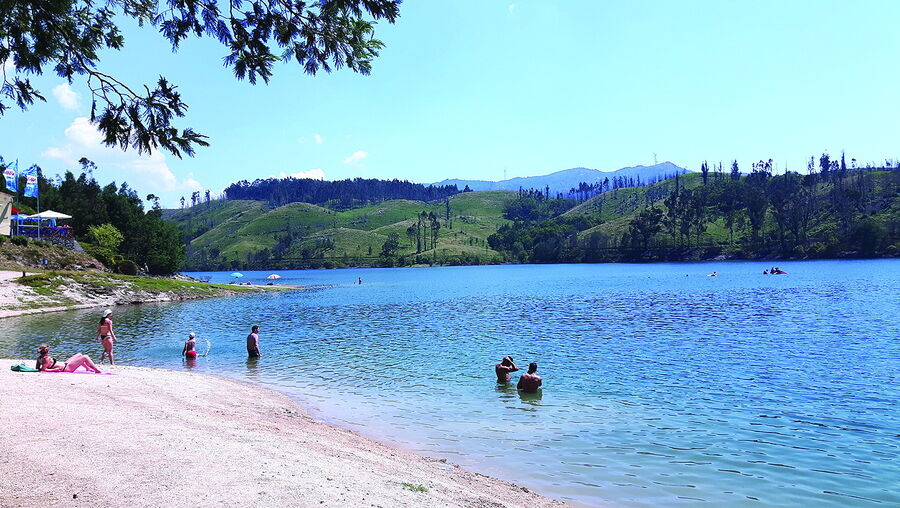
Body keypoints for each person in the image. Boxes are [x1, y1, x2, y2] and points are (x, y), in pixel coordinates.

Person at [35, 344, 102, 373]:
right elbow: (43, 370)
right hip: (67, 368)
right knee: (85, 357)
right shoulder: (46, 358)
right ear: (48, 351)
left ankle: (87, 368)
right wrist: (55, 369)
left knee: (79, 354)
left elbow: (37, 368)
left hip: (65, 365)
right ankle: (96, 369)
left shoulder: (39, 358)